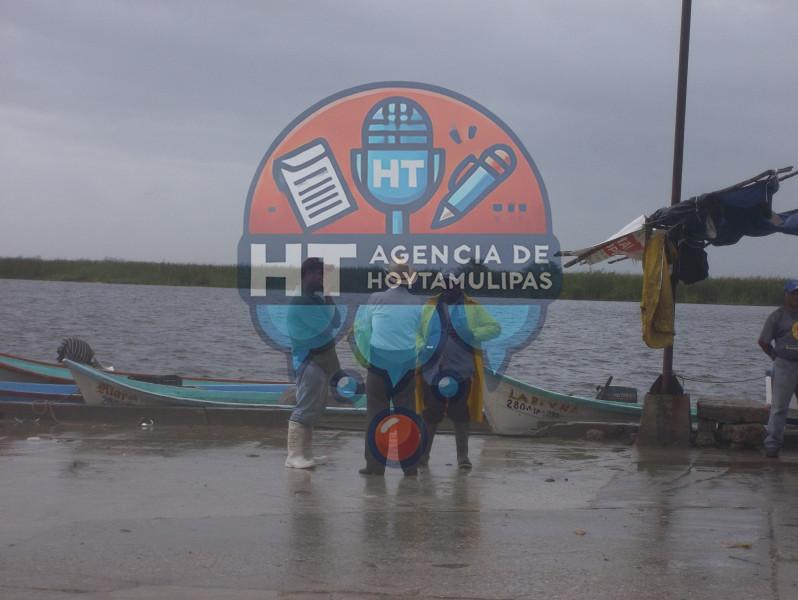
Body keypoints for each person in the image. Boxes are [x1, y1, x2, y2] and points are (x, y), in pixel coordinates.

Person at [416, 274, 500, 469]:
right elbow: (416, 332)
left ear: (460, 288)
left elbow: (495, 328)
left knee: (460, 413)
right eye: (444, 288)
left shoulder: (473, 307)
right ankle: (422, 457)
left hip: (462, 371)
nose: (447, 292)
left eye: (451, 289)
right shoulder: (429, 306)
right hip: (432, 370)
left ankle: (463, 457)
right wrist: (421, 346)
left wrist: (474, 334)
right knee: (430, 414)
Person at [354, 262, 424, 476]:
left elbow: (361, 329)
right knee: (408, 417)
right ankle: (410, 467)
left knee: (376, 417)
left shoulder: (375, 299)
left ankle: (375, 467)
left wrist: (365, 358)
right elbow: (424, 334)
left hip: (378, 367)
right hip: (406, 368)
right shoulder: (417, 303)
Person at [284, 257, 341, 469]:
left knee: (315, 407)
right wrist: (327, 297)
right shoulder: (301, 301)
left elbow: (335, 321)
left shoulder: (314, 299)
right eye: (319, 274)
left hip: (322, 361)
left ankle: (305, 454)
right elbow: (326, 326)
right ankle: (293, 455)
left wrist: (328, 294)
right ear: (307, 275)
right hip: (309, 360)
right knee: (305, 406)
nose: (322, 278)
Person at [759, 279, 798, 458]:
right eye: (793, 293)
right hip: (784, 365)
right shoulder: (777, 316)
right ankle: (772, 446)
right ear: (786, 295)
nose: (796, 297)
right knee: (779, 408)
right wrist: (776, 357)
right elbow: (763, 341)